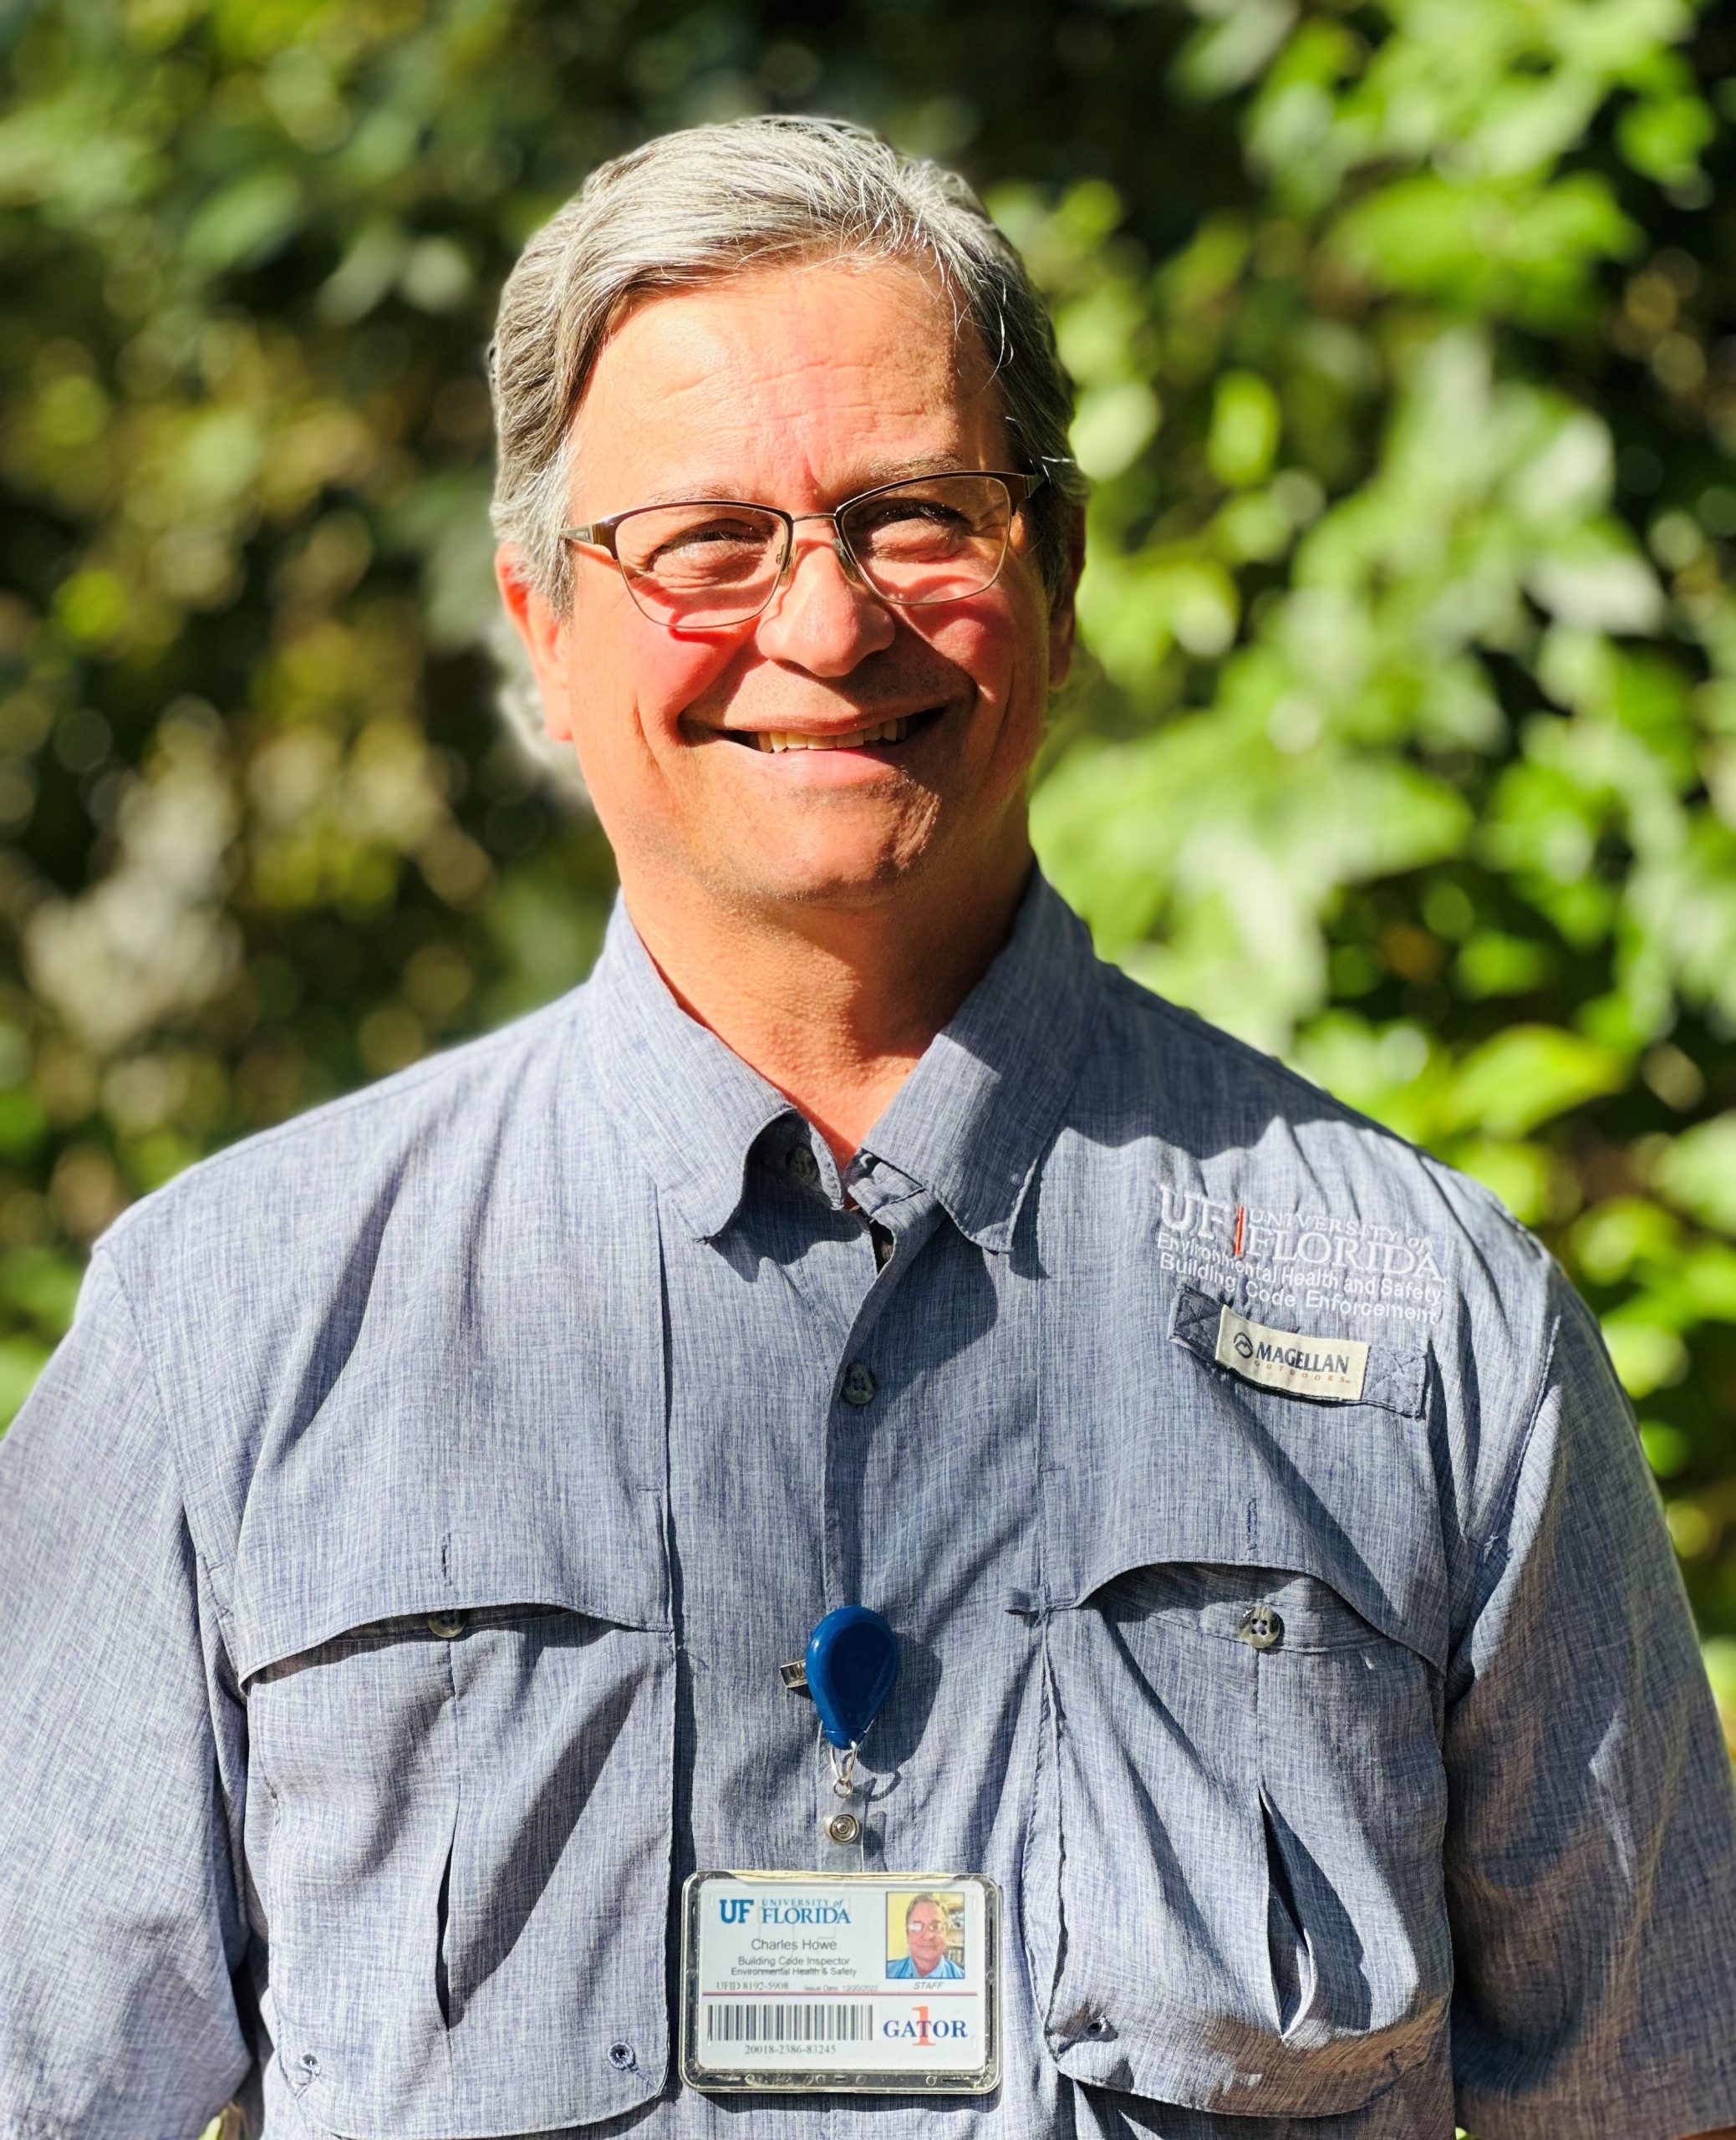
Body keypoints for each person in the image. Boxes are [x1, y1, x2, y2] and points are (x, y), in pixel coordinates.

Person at [0, 113, 1732, 2140]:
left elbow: (1657, 2103)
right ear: (540, 630)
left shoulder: (1429, 1321)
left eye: (912, 514)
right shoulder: (228, 1327)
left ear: (1057, 577)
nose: (824, 626)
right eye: (706, 540)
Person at [887, 1893, 965, 1980]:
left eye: (936, 1927)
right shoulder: (886, 1972)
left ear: (946, 1932)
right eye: (917, 1926)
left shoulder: (964, 1980)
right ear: (908, 1933)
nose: (928, 1936)